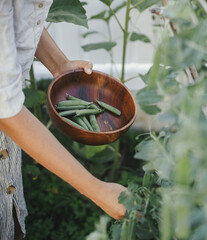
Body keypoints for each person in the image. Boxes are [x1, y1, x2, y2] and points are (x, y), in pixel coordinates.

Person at [0, 1, 127, 239]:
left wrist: (60, 65)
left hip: (9, 130)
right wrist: (96, 189)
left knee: (10, 216)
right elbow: (5, 110)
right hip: (9, 117)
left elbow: (18, 13)